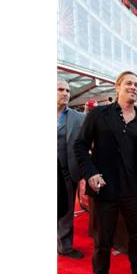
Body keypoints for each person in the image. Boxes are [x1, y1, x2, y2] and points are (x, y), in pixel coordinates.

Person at [74, 70, 137, 274]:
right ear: (118, 86)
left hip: (133, 190)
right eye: (129, 83)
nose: (133, 87)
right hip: (106, 190)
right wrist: (91, 173)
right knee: (103, 243)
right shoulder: (99, 114)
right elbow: (80, 145)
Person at [57, 79, 86, 259]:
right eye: (60, 89)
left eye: (67, 90)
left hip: (67, 170)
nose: (65, 93)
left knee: (67, 211)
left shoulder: (79, 117)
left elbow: (85, 142)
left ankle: (65, 247)